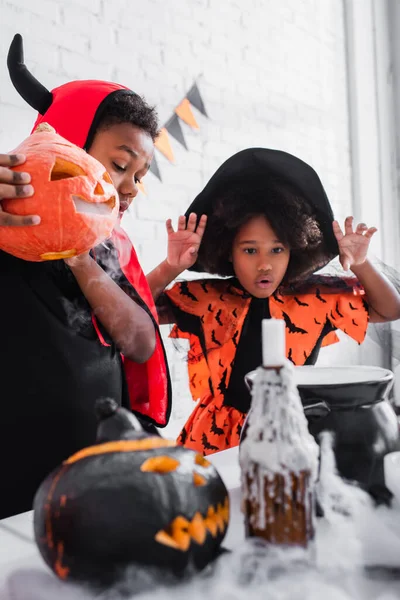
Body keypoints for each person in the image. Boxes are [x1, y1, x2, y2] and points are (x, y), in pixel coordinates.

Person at [0, 33, 193, 518]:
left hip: (99, 481)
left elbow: (142, 343)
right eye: (119, 166)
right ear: (66, 148)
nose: (128, 189)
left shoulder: (108, 250)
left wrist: (80, 254)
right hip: (17, 487)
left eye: (139, 176)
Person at [149, 148, 400, 455]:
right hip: (216, 439)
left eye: (277, 250)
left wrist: (361, 263)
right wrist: (171, 266)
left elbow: (390, 309)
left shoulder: (317, 298)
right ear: (229, 251)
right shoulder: (206, 299)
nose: (264, 264)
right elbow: (134, 309)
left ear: (295, 248)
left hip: (293, 432)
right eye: (250, 250)